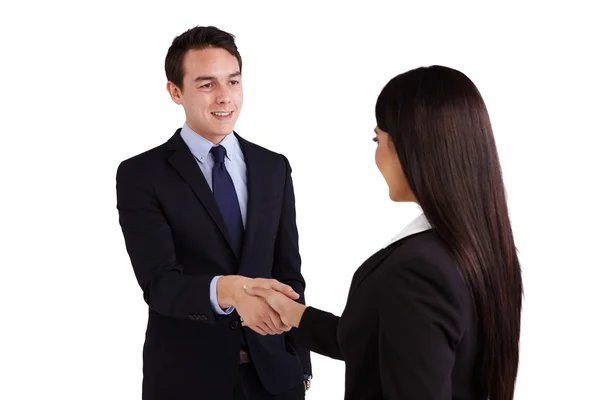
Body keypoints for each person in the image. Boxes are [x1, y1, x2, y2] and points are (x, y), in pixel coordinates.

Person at [245, 65, 524, 400]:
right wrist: (295, 315)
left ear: (412, 148)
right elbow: (388, 341)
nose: (377, 154)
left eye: (379, 139)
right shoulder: (481, 250)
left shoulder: (418, 269)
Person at [115, 25, 311, 400]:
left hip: (273, 379)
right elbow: (160, 285)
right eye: (207, 85)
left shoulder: (273, 167)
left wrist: (300, 366)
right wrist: (230, 290)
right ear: (176, 92)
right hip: (187, 379)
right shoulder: (142, 174)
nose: (225, 97)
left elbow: (289, 274)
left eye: (233, 82)